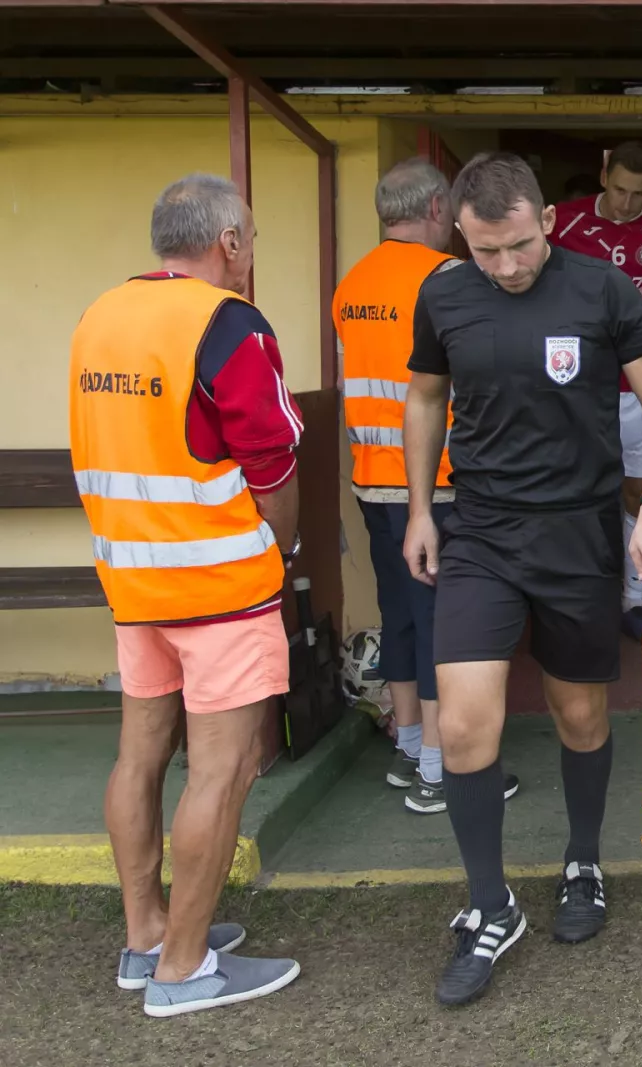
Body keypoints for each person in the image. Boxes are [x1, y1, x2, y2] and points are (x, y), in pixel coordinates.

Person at [402, 152, 642, 1007]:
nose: (506, 265)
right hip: (482, 533)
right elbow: (425, 398)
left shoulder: (601, 289)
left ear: (548, 220)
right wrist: (421, 510)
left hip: (578, 534)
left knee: (580, 715)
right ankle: (490, 907)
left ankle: (583, 860)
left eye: (519, 245)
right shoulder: (445, 294)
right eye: (485, 250)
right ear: (461, 234)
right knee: (463, 727)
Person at [69, 173, 302, 1016]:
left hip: (133, 581)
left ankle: (148, 937)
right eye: (251, 239)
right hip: (221, 584)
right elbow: (271, 461)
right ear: (229, 242)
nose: (251, 253)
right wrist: (283, 547)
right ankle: (185, 968)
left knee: (139, 758)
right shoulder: (229, 323)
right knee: (222, 769)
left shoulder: (100, 314)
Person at [335, 158, 522, 814]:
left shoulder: (351, 284)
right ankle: (443, 768)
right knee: (448, 626)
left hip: (372, 481)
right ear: (439, 209)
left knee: (401, 614)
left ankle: (412, 746)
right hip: (435, 484)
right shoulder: (447, 279)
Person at [551, 141, 642, 637]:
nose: (626, 204)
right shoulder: (562, 222)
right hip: (578, 389)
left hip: (641, 389)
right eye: (618, 190)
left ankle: (635, 601)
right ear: (603, 177)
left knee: (641, 493)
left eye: (638, 193)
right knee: (580, 495)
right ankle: (585, 599)